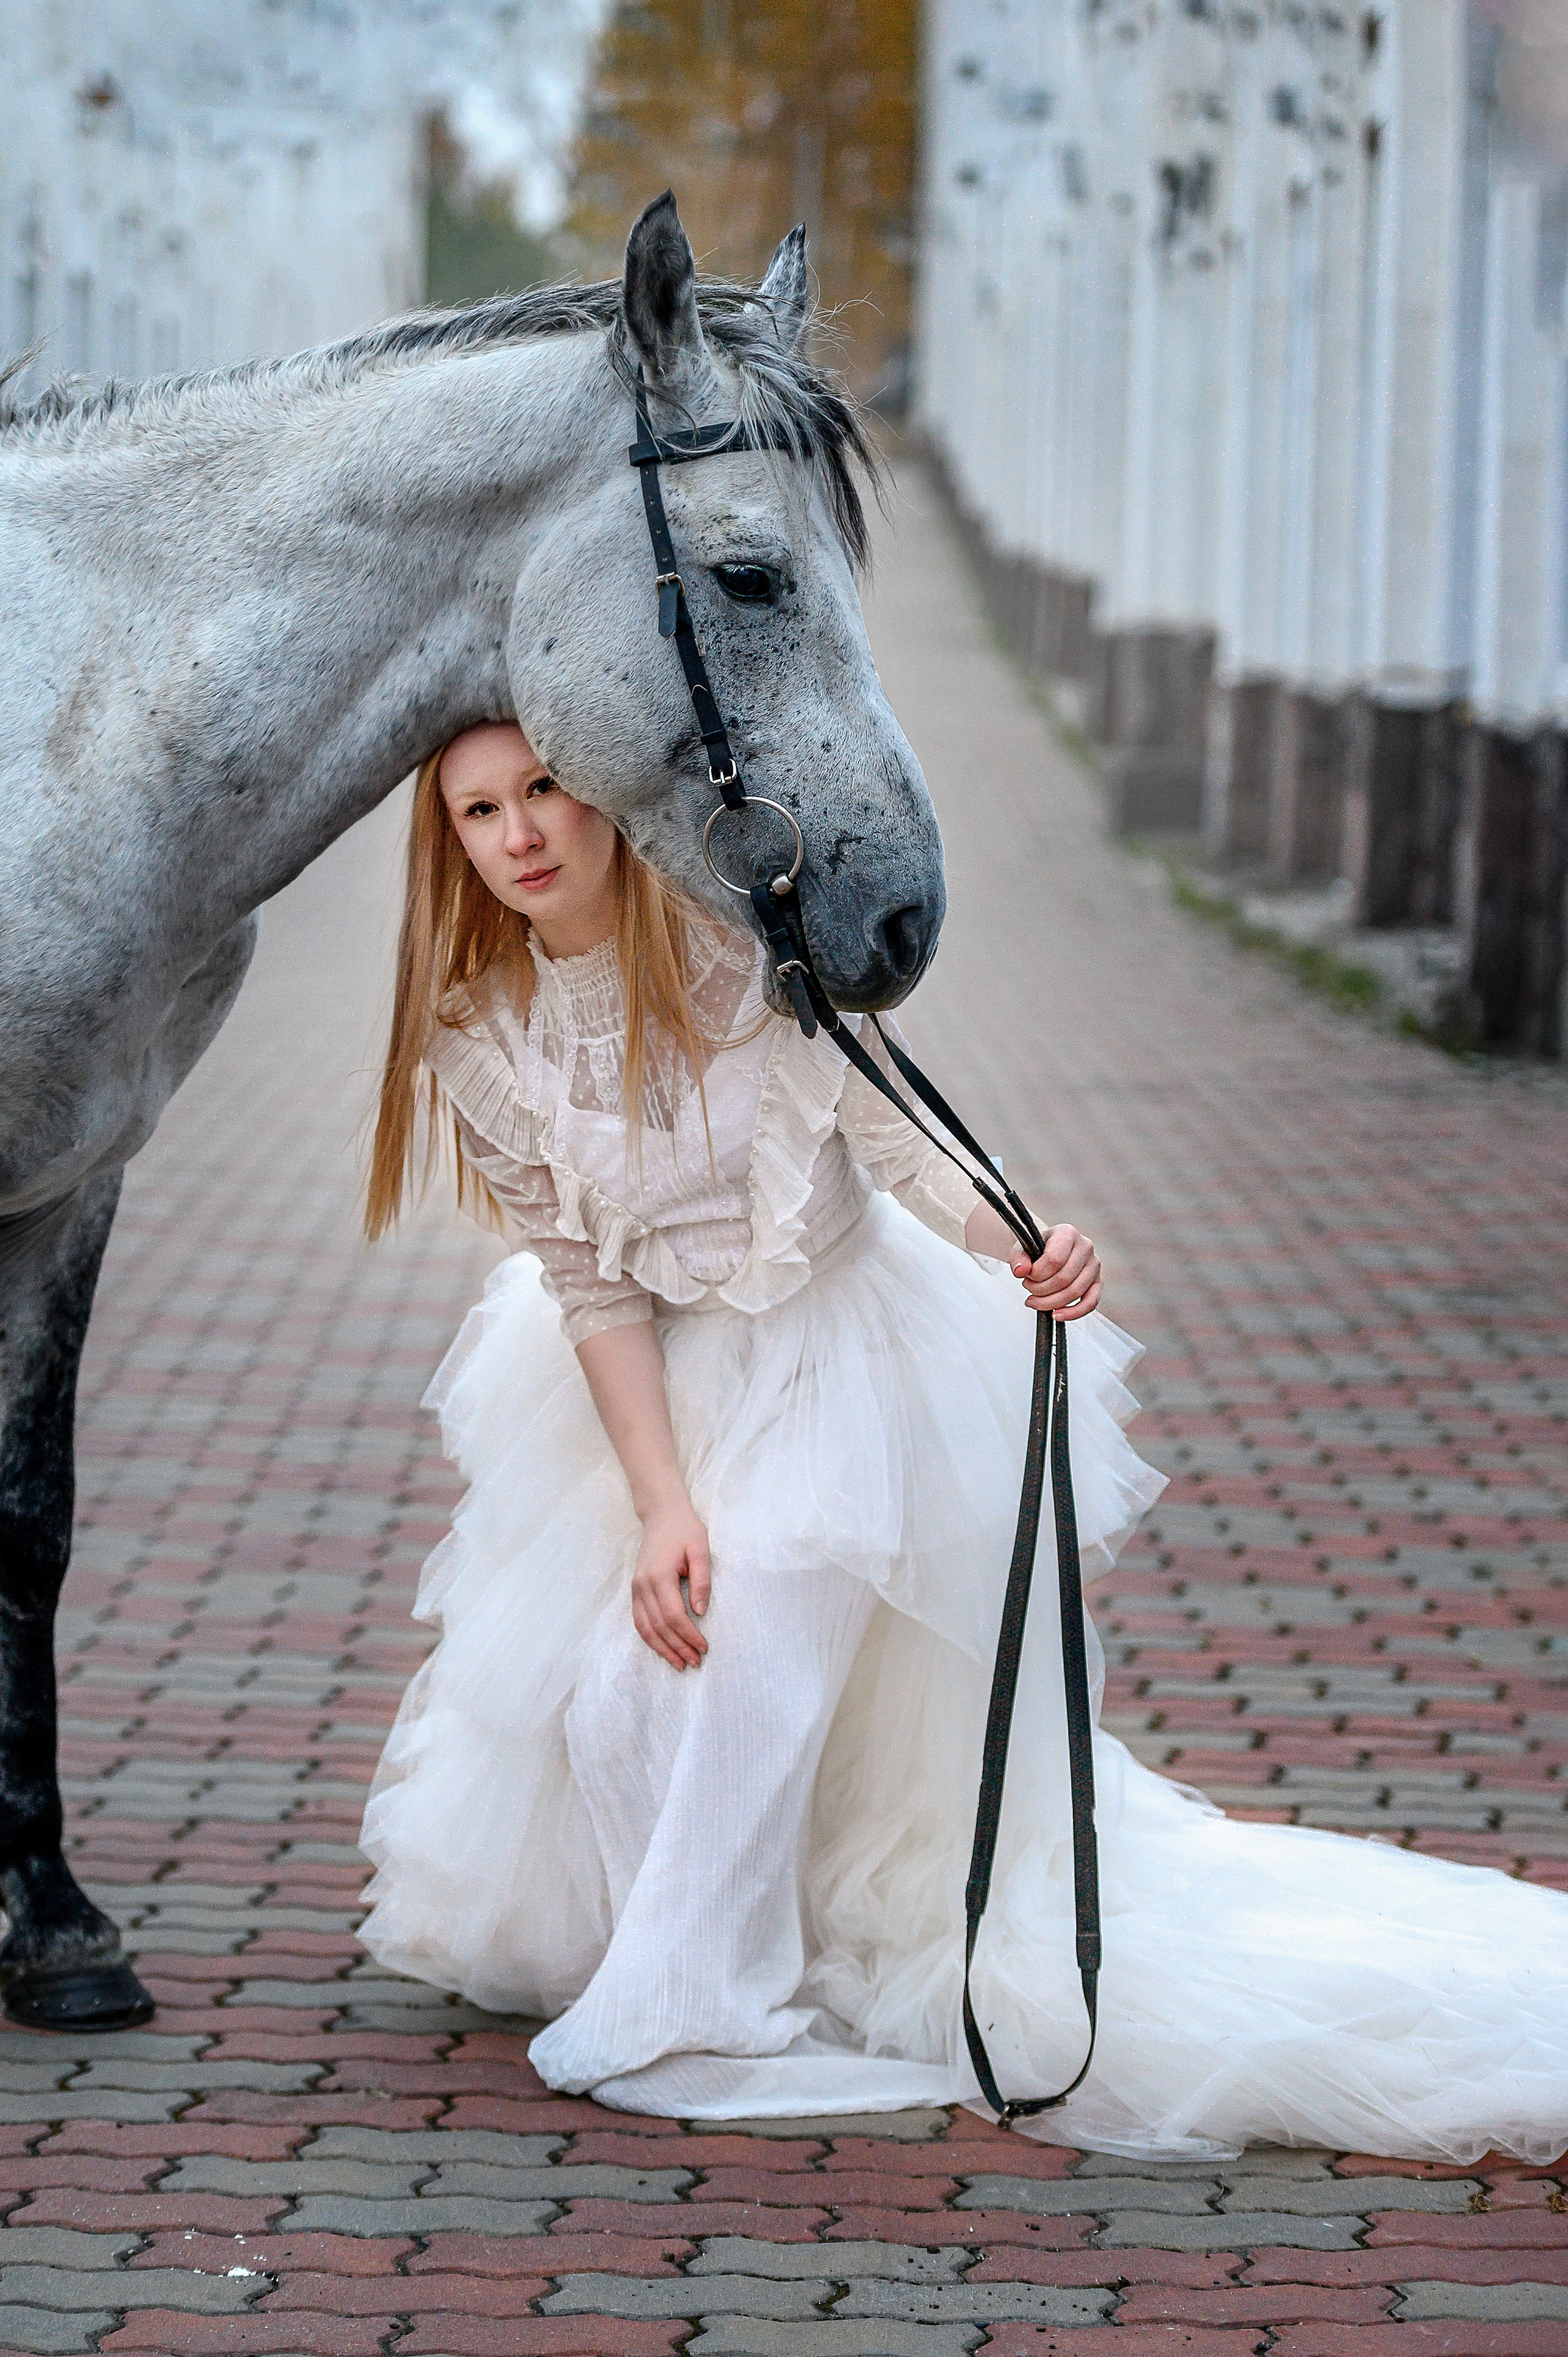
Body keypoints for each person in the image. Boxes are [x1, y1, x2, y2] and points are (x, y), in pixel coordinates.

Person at [358, 720, 1568, 2163]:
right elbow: (591, 1284)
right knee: (624, 1690)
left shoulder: (746, 955)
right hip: (672, 1384)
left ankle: (704, 2004)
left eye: (543, 788)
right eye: (480, 811)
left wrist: (1023, 1240)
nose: (520, 835)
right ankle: (698, 1945)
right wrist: (662, 1501)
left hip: (847, 1349)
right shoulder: (480, 1033)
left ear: (608, 795)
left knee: (752, 1651)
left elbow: (897, 1138)